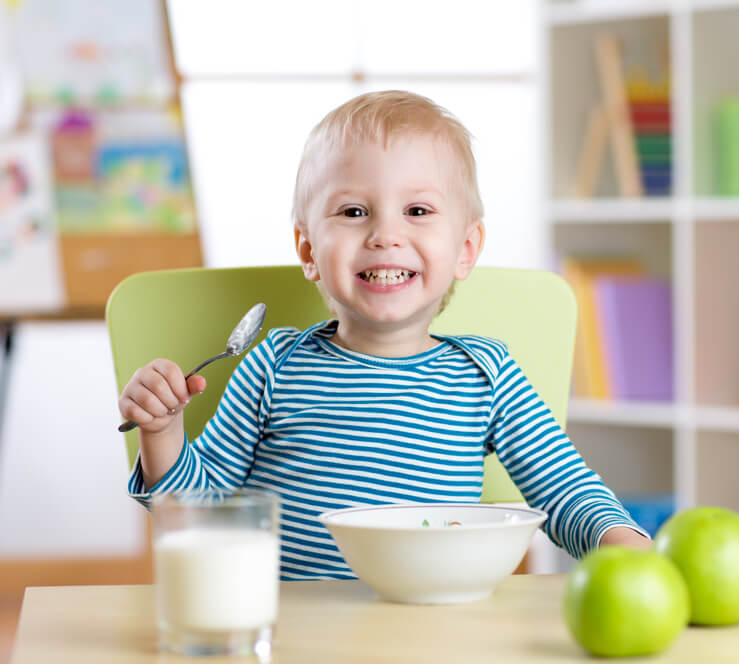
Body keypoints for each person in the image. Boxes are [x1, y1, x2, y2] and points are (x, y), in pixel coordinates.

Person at [119, 90, 652, 580]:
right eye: (354, 212)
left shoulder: (488, 375)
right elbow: (193, 514)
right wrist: (162, 433)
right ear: (309, 252)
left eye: (417, 211)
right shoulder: (273, 365)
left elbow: (566, 492)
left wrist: (625, 546)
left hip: (433, 634)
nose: (386, 235)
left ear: (465, 249)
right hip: (293, 636)